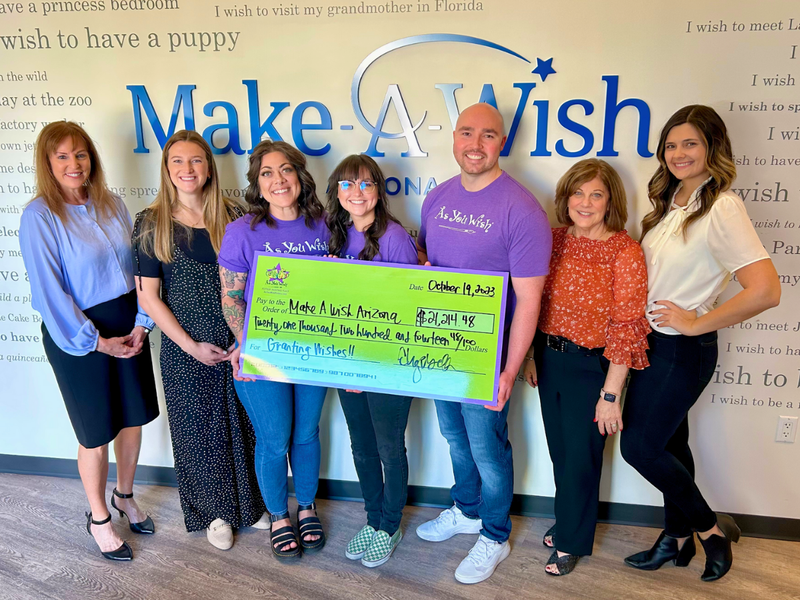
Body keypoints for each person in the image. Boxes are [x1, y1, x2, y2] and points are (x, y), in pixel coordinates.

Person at [620, 105, 780, 582]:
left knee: (640, 448)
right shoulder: (672, 204)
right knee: (672, 443)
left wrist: (697, 322)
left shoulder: (722, 206)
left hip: (681, 350)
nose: (678, 153)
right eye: (671, 145)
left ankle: (710, 531)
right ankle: (674, 539)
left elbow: (766, 290)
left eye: (690, 143)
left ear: (713, 147)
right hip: (653, 344)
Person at [415, 103, 552, 584]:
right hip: (438, 351)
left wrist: (509, 371)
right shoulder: (437, 198)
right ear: (454, 138)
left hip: (486, 359)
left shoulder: (522, 208)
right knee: (454, 438)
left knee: (488, 449)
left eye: (488, 135)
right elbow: (428, 270)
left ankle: (494, 534)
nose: (475, 144)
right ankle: (467, 509)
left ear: (502, 143)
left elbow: (529, 301)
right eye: (466, 133)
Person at [19, 121, 159, 561]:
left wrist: (141, 322)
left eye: (80, 154)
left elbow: (137, 266)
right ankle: (99, 517)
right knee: (95, 432)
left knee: (132, 418)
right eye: (62, 156)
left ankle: (124, 495)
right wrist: (98, 342)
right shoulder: (38, 216)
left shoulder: (112, 204)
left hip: (127, 319)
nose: (74, 163)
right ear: (48, 163)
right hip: (78, 333)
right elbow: (48, 292)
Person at [132, 130, 268, 550]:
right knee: (199, 431)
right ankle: (215, 514)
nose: (187, 169)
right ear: (167, 169)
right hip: (184, 348)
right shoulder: (150, 223)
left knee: (246, 425)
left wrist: (244, 338)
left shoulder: (234, 215)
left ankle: (250, 506)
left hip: (237, 344)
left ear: (209, 167)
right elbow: (149, 298)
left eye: (195, 161)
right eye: (178, 161)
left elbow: (256, 281)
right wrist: (191, 346)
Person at [522, 159, 650, 575]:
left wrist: (611, 395)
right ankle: (567, 521)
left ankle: (572, 542)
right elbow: (534, 300)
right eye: (577, 192)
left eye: (596, 194)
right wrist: (528, 354)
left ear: (610, 200)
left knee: (581, 457)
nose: (585, 202)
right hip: (549, 357)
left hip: (592, 368)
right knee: (561, 453)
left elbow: (626, 328)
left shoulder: (624, 251)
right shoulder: (555, 239)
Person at [218, 140, 330, 560]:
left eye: (285, 170)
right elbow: (232, 299)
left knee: (305, 433)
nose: (278, 179)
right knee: (273, 438)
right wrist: (246, 348)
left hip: (314, 354)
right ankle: (278, 516)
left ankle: (306, 506)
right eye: (267, 173)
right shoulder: (242, 231)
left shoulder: (323, 225)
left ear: (300, 176)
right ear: (257, 183)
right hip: (263, 356)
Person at [325, 154, 419, 567]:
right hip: (345, 366)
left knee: (388, 448)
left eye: (365, 184)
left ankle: (390, 523)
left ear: (379, 190)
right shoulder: (333, 235)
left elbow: (407, 310)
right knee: (361, 447)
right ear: (337, 192)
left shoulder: (395, 238)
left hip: (385, 368)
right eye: (347, 184)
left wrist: (370, 367)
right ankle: (372, 517)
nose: (356, 193)